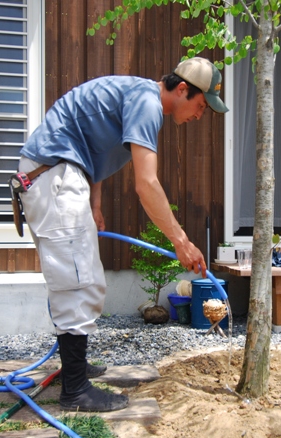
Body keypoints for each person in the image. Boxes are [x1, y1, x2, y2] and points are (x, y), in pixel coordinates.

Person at [15, 57, 228, 412]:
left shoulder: (137, 96)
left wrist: (95, 202)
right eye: (201, 106)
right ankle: (75, 391)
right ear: (181, 90)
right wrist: (181, 241)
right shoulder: (147, 104)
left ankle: (75, 369)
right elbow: (146, 185)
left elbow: (92, 146)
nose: (199, 115)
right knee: (79, 282)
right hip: (53, 178)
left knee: (80, 279)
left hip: (60, 174)